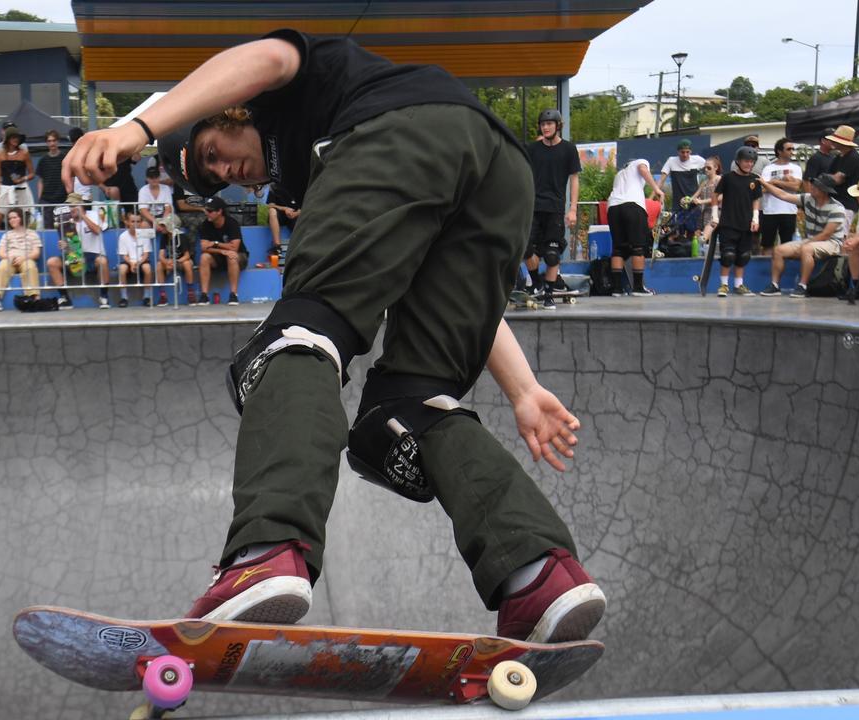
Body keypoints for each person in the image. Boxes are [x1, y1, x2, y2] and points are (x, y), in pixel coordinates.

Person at [63, 29, 599, 640]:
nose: (226, 170)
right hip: (499, 173)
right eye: (214, 178)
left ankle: (264, 552)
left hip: (406, 131)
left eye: (213, 149)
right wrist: (523, 389)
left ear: (229, 112)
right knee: (404, 410)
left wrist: (136, 128)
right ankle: (537, 570)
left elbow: (261, 57)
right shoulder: (327, 178)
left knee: (294, 337)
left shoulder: (295, 91)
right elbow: (437, 274)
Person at [523, 109, 579, 308]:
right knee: (525, 247)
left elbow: (574, 179)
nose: (545, 127)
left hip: (555, 209)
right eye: (542, 124)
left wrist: (572, 209)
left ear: (558, 126)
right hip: (533, 208)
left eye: (549, 124)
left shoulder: (568, 149)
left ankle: (548, 294)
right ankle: (536, 283)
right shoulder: (533, 149)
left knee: (552, 254)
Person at [757, 173, 846, 298]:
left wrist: (806, 244)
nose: (812, 187)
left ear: (825, 190)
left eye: (816, 186)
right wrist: (765, 183)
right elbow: (784, 195)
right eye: (813, 184)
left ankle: (802, 286)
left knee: (806, 249)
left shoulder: (837, 208)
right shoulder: (808, 198)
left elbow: (826, 234)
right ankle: (775, 285)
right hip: (811, 240)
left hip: (832, 242)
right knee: (778, 250)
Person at [606, 155, 664, 295]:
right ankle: (638, 287)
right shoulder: (640, 162)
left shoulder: (619, 174)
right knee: (638, 247)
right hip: (632, 207)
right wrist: (657, 189)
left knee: (618, 248)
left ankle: (617, 288)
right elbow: (643, 169)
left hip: (613, 208)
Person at [711, 146, 762, 297]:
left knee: (744, 255)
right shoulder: (727, 178)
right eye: (746, 161)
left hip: (746, 223)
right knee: (728, 255)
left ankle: (739, 285)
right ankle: (724, 285)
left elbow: (756, 200)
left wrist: (755, 218)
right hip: (728, 223)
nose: (749, 164)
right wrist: (715, 215)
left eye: (752, 162)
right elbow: (715, 195)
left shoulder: (754, 179)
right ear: (738, 161)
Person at [195, 196, 246, 305]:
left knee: (231, 256)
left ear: (219, 211)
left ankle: (233, 294)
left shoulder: (232, 223)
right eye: (205, 210)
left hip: (239, 256)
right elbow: (204, 247)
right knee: (204, 257)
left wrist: (215, 244)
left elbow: (234, 248)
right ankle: (204, 295)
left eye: (209, 211)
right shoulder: (205, 225)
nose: (206, 213)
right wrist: (222, 251)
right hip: (218, 257)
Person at [756, 138, 803, 256]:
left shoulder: (796, 168)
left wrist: (775, 182)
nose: (792, 151)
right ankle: (766, 270)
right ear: (779, 151)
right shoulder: (768, 168)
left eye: (793, 149)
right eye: (789, 149)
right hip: (770, 211)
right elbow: (762, 189)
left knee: (788, 245)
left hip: (789, 211)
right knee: (767, 244)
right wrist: (784, 184)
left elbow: (796, 187)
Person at [0, 209, 42, 311]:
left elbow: (36, 253)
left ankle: (35, 298)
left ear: (21, 218)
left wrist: (24, 258)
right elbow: (0, 252)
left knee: (30, 267)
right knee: (2, 268)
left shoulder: (33, 234)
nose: (12, 220)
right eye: (10, 218)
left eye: (14, 217)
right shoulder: (7, 235)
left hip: (26, 258)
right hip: (10, 259)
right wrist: (9, 257)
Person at [660, 139, 705, 251]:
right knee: (674, 232)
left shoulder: (698, 160)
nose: (685, 154)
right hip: (677, 204)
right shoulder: (671, 161)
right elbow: (661, 180)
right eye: (682, 152)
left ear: (690, 151)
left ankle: (691, 253)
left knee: (693, 232)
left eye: (687, 152)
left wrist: (699, 193)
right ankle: (676, 252)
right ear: (678, 152)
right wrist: (651, 197)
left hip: (694, 202)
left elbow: (711, 172)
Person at [70, 194, 113, 308]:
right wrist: (64, 245)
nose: (71, 209)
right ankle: (64, 299)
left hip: (95, 254)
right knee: (52, 262)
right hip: (77, 256)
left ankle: (104, 297)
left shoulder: (93, 214)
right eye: (69, 206)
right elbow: (70, 246)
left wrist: (83, 216)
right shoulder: (67, 221)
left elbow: (97, 230)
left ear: (81, 205)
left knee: (102, 261)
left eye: (73, 205)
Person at [0, 127, 35, 229]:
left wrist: (22, 179)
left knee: (23, 222)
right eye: (13, 137)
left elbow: (32, 174)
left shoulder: (24, 153)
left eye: (17, 137)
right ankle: (3, 239)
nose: (16, 139)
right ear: (8, 139)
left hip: (21, 190)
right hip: (5, 190)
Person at [156, 203, 197, 306]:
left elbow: (187, 255)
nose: (162, 227)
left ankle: (191, 293)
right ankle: (163, 296)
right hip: (170, 261)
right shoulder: (164, 237)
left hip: (181, 260)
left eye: (164, 225)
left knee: (188, 264)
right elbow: (161, 255)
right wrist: (167, 262)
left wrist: (176, 261)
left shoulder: (181, 237)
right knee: (159, 265)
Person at [825, 126, 859, 230]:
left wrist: (824, 179)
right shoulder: (838, 157)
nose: (833, 142)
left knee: (840, 235)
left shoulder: (853, 157)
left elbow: (837, 179)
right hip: (835, 202)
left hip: (846, 203)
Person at [116, 211, 153, 307]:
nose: (135, 224)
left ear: (141, 223)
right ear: (127, 222)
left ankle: (147, 297)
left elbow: (146, 254)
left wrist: (139, 262)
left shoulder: (144, 234)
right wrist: (132, 263)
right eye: (132, 221)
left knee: (147, 268)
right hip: (129, 261)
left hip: (142, 260)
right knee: (122, 269)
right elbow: (124, 255)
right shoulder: (123, 236)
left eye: (138, 221)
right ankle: (124, 297)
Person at [36, 130, 69, 230]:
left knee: (65, 228)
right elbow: (40, 180)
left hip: (62, 199)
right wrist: (40, 199)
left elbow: (69, 178)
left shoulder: (65, 158)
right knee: (48, 230)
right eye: (49, 141)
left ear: (58, 141)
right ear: (47, 143)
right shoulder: (43, 160)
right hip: (47, 200)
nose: (52, 143)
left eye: (54, 140)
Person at [138, 165, 178, 246]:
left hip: (164, 216)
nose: (154, 179)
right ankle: (146, 251)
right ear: (147, 179)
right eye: (151, 177)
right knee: (143, 226)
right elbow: (143, 210)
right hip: (149, 217)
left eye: (156, 177)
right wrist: (155, 222)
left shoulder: (166, 188)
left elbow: (168, 208)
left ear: (159, 177)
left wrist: (163, 222)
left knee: (170, 225)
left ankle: (169, 251)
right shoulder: (143, 190)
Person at [689, 155, 722, 249]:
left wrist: (702, 201)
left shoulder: (719, 179)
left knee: (704, 238)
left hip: (717, 212)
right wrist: (687, 200)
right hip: (704, 213)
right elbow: (695, 195)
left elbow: (720, 197)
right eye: (705, 168)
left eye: (709, 168)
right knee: (700, 237)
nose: (706, 170)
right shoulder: (705, 182)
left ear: (716, 168)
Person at [263, 184, 299, 264]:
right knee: (272, 211)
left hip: (296, 214)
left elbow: (307, 204)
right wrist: (285, 208)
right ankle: (277, 247)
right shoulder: (275, 186)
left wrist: (296, 213)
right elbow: (270, 205)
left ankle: (300, 248)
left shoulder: (301, 184)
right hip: (281, 215)